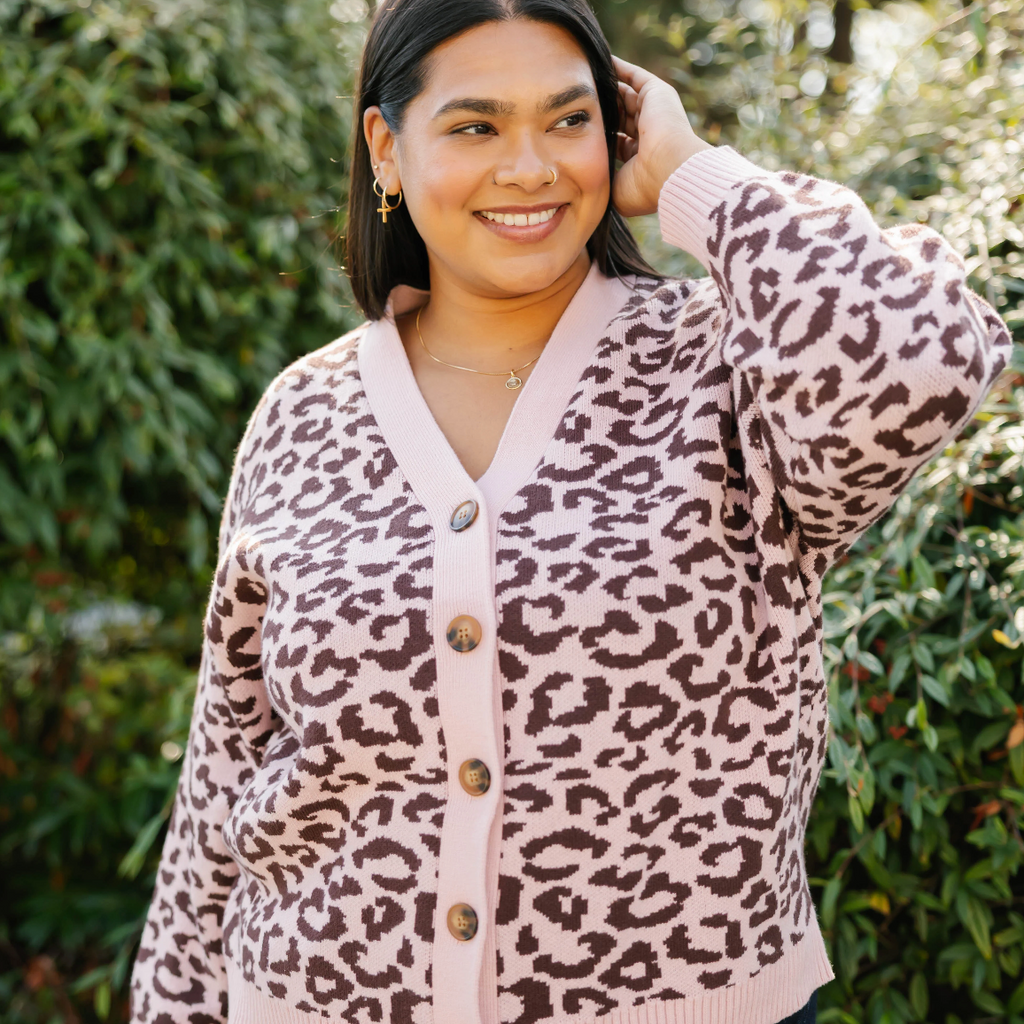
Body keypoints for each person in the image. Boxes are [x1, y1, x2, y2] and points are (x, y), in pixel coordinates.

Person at [128, 1, 1012, 1022]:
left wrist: (689, 175)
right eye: (476, 125)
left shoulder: (725, 372)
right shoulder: (303, 413)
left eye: (568, 119)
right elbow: (226, 767)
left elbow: (928, 353)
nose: (529, 167)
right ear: (386, 146)